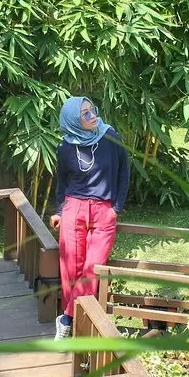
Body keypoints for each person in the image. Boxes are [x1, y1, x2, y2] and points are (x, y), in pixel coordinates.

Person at [49, 96, 130, 340]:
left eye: (92, 109)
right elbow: (62, 182)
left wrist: (116, 208)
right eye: (85, 113)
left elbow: (124, 172)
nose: (92, 115)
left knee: (92, 268)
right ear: (74, 120)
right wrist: (59, 210)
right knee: (71, 269)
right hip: (74, 208)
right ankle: (76, 324)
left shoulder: (110, 136)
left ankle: (66, 319)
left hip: (104, 210)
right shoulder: (65, 147)